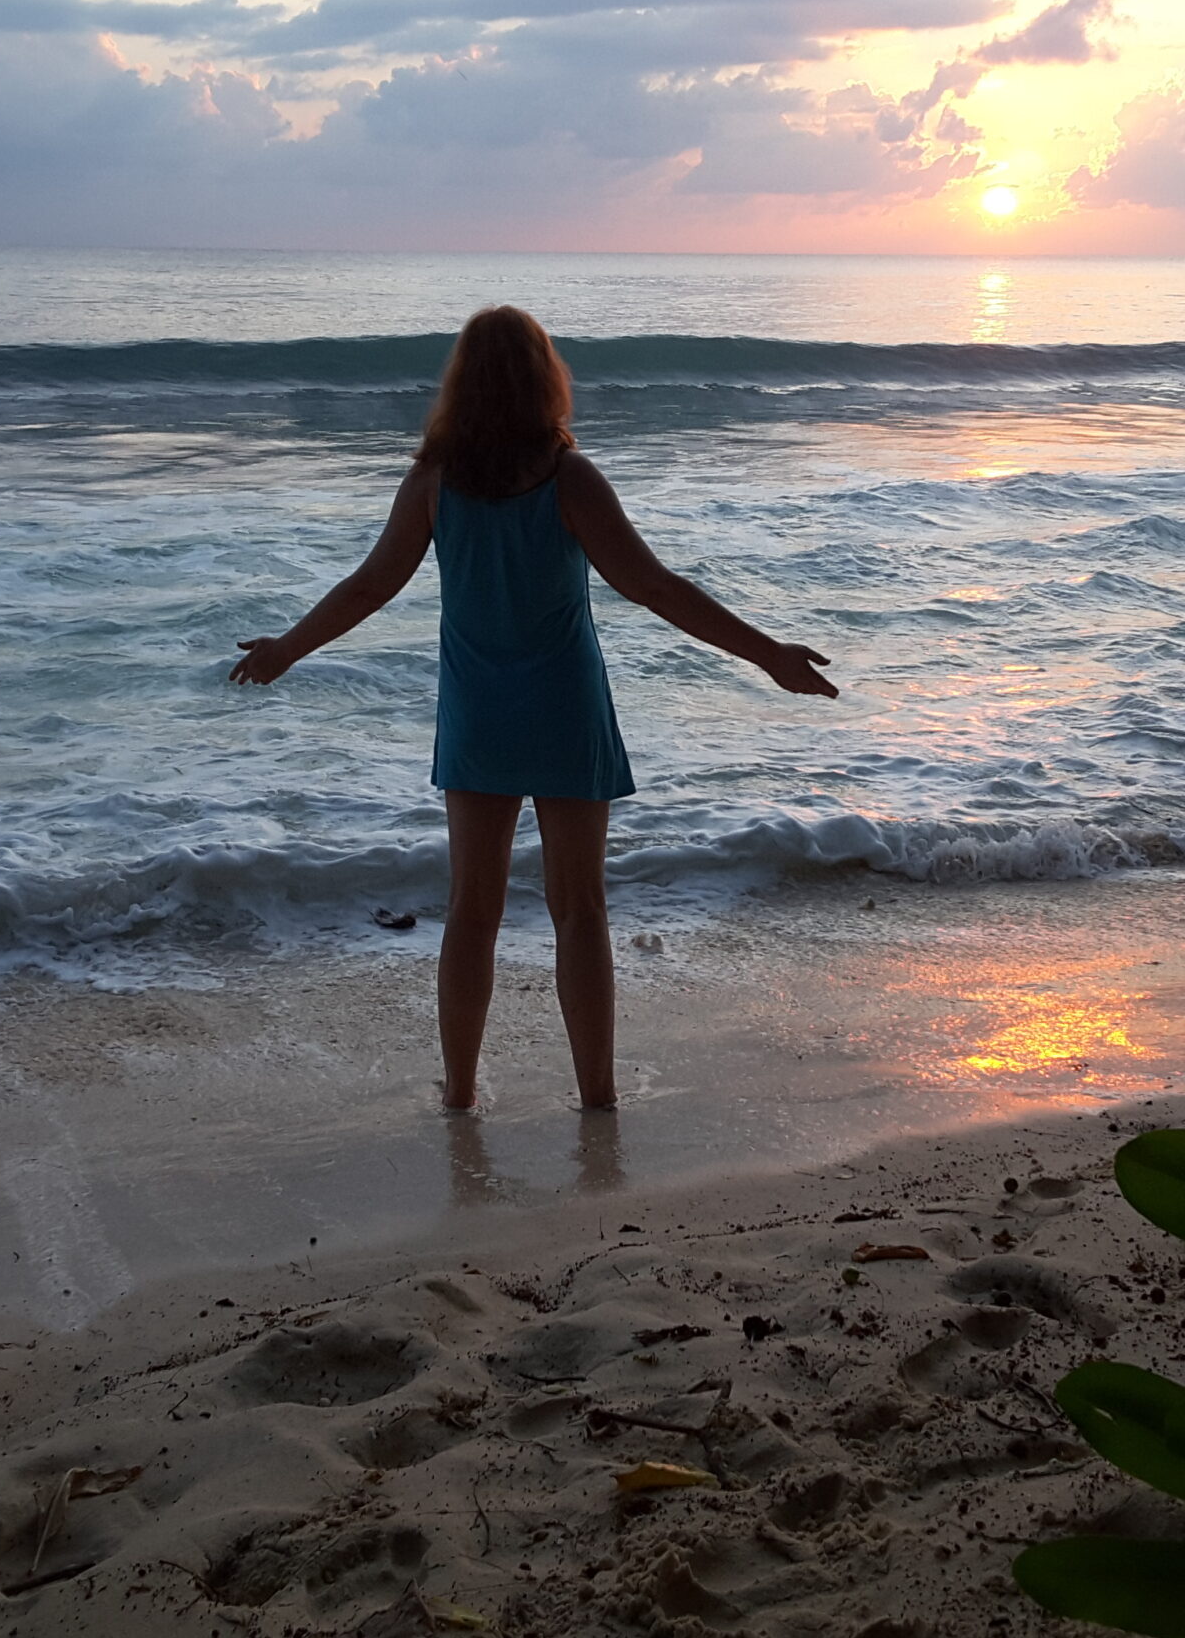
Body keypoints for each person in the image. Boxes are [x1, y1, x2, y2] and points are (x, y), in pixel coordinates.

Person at [230, 305, 837, 1114]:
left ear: (462, 384)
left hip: (480, 714)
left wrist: (287, 648)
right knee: (579, 910)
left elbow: (370, 586)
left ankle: (460, 1095)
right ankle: (596, 1095)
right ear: (546, 378)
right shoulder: (568, 478)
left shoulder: (434, 484)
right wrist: (768, 655)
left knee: (470, 910)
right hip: (564, 710)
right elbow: (654, 587)